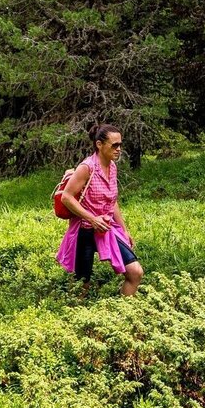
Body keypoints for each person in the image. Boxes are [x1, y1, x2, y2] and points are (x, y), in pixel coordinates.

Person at [56, 124, 144, 296]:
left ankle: (124, 310)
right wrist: (92, 219)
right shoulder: (86, 168)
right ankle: (76, 311)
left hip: (106, 230)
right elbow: (67, 197)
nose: (119, 149)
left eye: (120, 145)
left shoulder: (112, 167)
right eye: (114, 145)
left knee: (135, 272)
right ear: (99, 144)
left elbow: (112, 201)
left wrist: (124, 230)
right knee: (82, 285)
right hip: (84, 232)